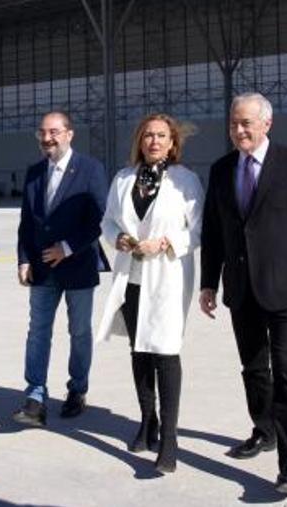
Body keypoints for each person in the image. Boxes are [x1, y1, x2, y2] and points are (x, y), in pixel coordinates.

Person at [199, 92, 287, 497]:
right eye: (233, 124)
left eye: (246, 124)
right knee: (254, 369)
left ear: (267, 124)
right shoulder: (222, 170)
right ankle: (264, 430)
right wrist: (209, 282)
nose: (239, 130)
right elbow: (213, 231)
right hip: (242, 288)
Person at [97, 113, 203, 474]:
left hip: (168, 277)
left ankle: (169, 439)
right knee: (139, 350)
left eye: (161, 136)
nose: (154, 142)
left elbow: (200, 229)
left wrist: (168, 242)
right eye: (148, 136)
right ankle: (148, 421)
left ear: (173, 143)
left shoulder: (185, 181)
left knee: (165, 352)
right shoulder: (123, 179)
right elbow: (108, 220)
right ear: (139, 141)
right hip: (132, 278)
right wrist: (119, 239)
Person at [12, 111, 109, 426]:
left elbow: (100, 219)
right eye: (42, 132)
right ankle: (35, 395)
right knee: (38, 331)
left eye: (54, 131)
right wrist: (24, 258)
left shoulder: (90, 170)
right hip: (41, 268)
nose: (47, 138)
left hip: (78, 266)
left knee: (79, 332)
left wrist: (67, 248)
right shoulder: (34, 172)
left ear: (69, 134)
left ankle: (77, 389)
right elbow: (27, 221)